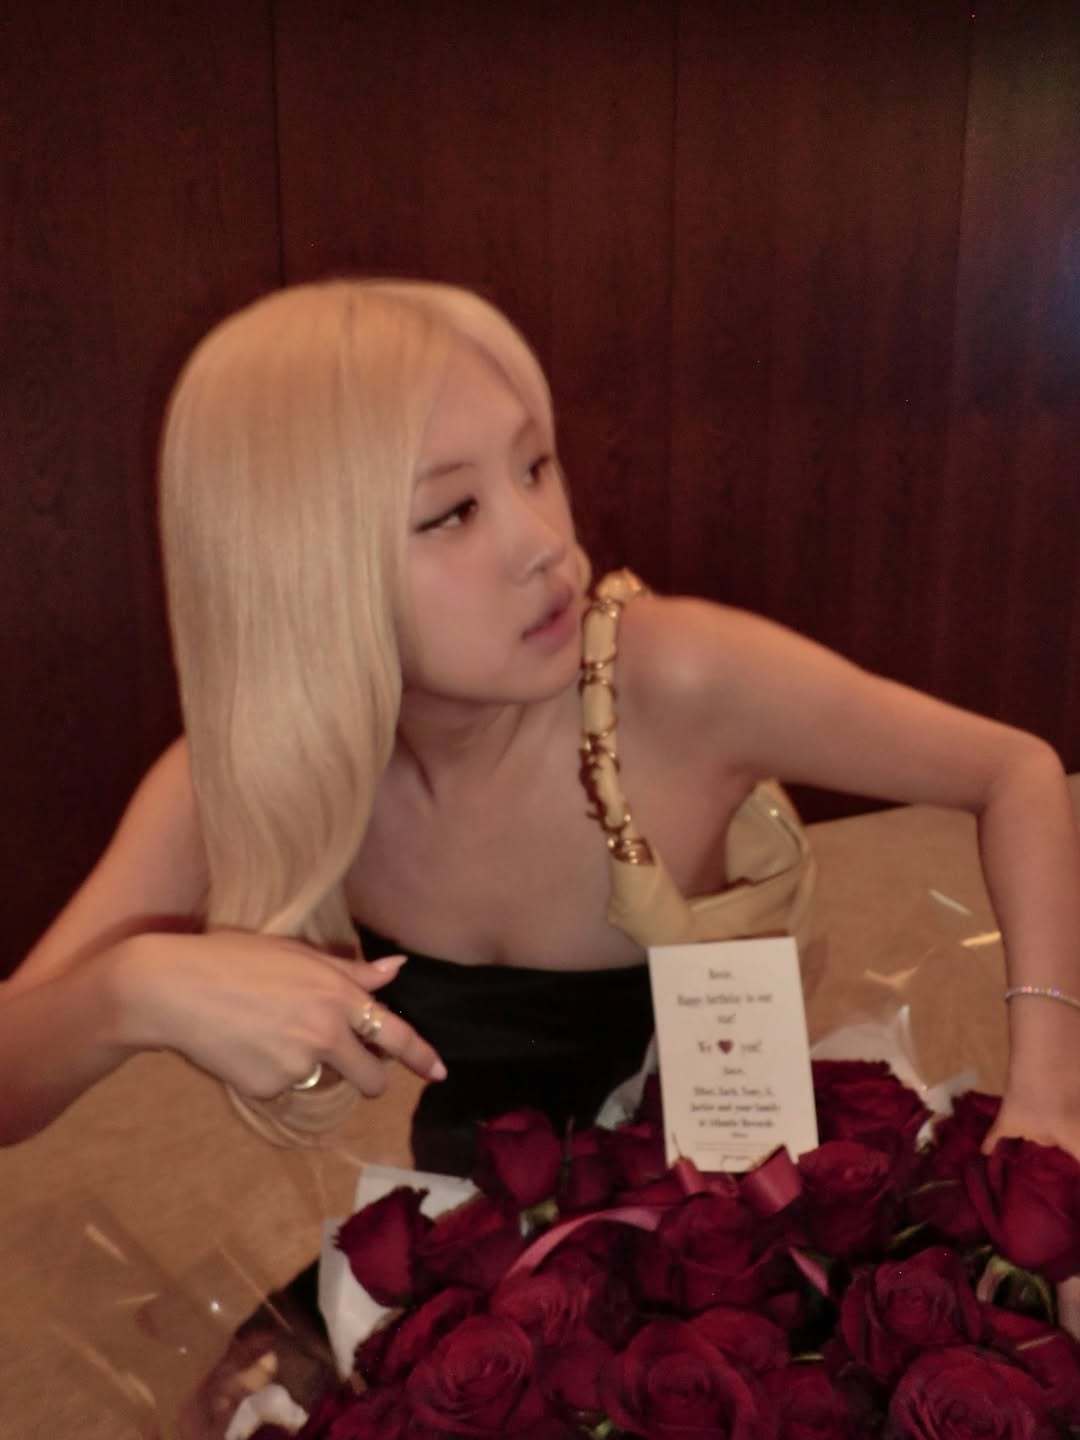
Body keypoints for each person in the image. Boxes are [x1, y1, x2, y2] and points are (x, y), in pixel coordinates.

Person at [2, 278, 1080, 1179]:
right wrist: (128, 992)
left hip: (723, 1209)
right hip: (480, 1234)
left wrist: (1048, 1099)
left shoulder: (676, 679)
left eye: (535, 466)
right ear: (298, 571)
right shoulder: (243, 779)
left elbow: (1016, 772)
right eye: (452, 512)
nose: (545, 544)